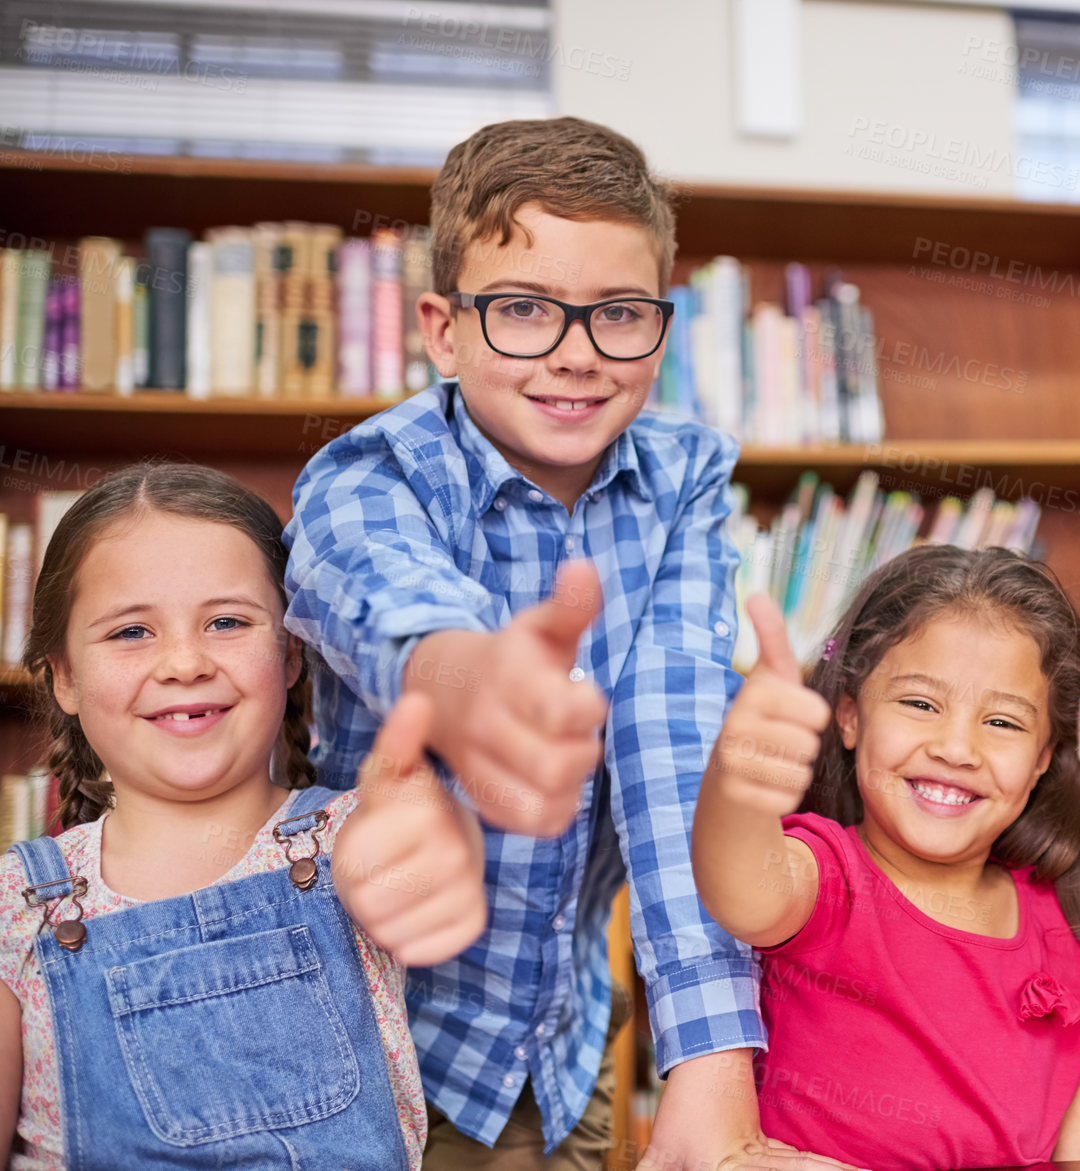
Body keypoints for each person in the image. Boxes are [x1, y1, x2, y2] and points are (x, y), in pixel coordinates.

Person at [282, 117, 830, 1170]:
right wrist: (472, 684)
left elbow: (673, 762)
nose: (576, 353)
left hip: (562, 1049)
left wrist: (711, 1063)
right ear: (444, 329)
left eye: (619, 312)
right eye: (525, 309)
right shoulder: (370, 475)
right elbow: (389, 605)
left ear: (661, 328)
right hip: (370, 1054)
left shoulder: (684, 479)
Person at [1, 462, 486, 1168]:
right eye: (132, 631)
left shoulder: (351, 839)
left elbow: (432, 863)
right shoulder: (17, 905)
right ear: (65, 676)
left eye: (227, 621)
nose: (185, 662)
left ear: (290, 652)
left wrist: (432, 823)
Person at [692, 545, 1080, 1170]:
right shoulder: (828, 876)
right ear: (850, 716)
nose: (957, 748)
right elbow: (740, 887)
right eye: (920, 705)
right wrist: (737, 781)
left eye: (1004, 723)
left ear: (1046, 755)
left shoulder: (1071, 932)